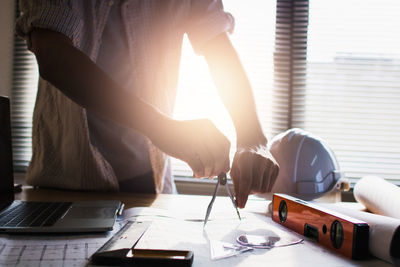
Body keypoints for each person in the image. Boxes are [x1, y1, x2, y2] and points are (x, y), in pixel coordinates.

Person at [16, 0, 279, 208]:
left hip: (150, 186)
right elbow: (52, 55)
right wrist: (162, 129)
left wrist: (252, 136)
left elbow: (218, 48)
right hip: (65, 184)